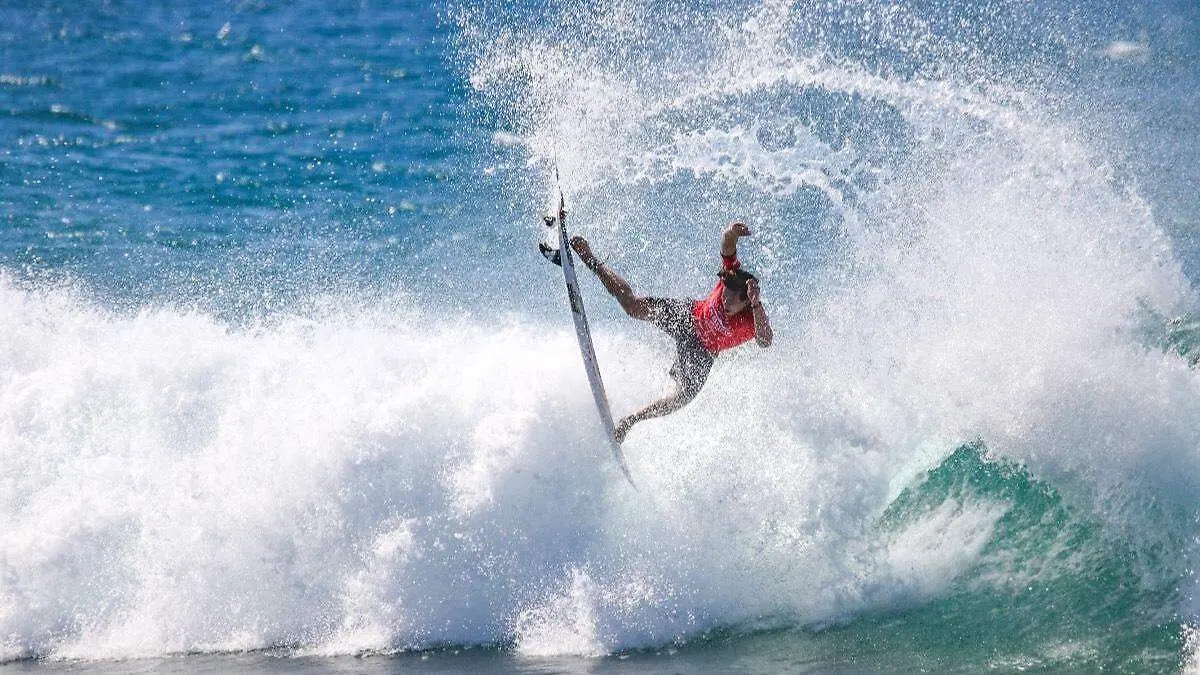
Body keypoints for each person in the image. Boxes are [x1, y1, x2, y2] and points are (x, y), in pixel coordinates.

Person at [570, 222, 773, 442]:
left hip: (702, 351)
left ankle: (632, 420)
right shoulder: (731, 275)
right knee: (633, 307)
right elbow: (727, 247)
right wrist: (732, 233)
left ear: (746, 302)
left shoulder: (752, 315)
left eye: (730, 303)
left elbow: (765, 341)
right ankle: (592, 260)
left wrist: (756, 304)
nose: (724, 302)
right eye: (724, 295)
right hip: (688, 317)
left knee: (682, 397)